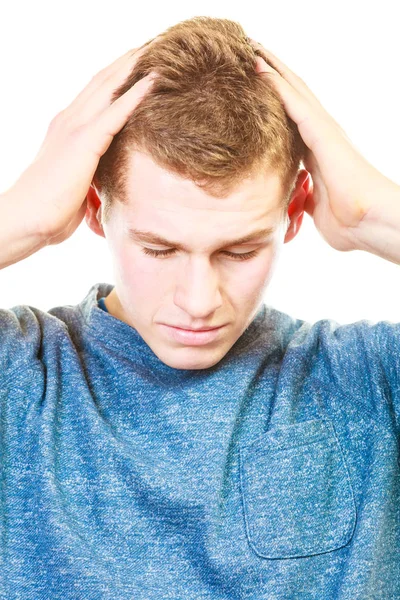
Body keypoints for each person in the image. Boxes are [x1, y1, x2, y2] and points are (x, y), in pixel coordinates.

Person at [0, 15, 399, 600]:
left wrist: (375, 215)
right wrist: (21, 217)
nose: (198, 300)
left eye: (239, 251)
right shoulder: (19, 381)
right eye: (159, 249)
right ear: (92, 208)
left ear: (293, 215)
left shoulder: (370, 379)